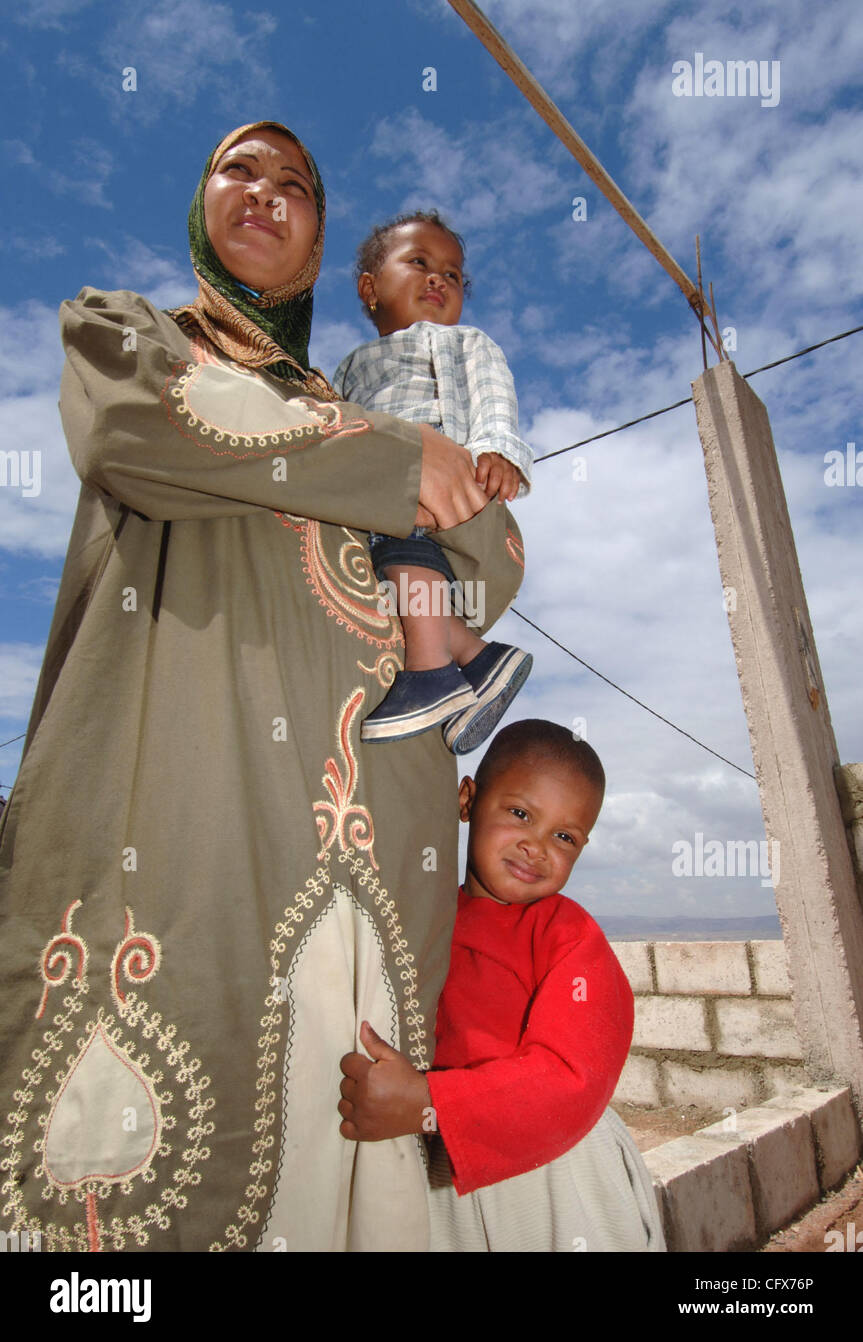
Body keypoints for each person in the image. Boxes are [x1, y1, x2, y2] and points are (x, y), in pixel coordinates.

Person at [0, 122, 526, 1253]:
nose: (265, 191)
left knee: (358, 1181)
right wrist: (390, 462)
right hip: (185, 809)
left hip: (378, 842)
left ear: (321, 238)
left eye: (296, 183)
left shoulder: (357, 402)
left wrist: (419, 462)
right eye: (240, 168)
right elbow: (141, 433)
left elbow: (491, 560)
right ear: (201, 203)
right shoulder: (134, 337)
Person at [338, 719, 666, 1252]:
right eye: (520, 814)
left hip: (559, 1171)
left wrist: (426, 1101)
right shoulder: (422, 914)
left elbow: (573, 1078)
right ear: (467, 799)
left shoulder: (568, 936)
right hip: (445, 1171)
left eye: (564, 836)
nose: (536, 847)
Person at [334, 212, 533, 753]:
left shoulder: (463, 342)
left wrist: (497, 449)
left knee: (405, 543)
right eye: (419, 262)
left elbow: (494, 393)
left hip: (442, 478)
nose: (438, 278)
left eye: (452, 273)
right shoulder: (351, 365)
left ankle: (429, 674)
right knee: (388, 573)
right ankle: (479, 660)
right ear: (369, 289)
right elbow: (331, 420)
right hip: (376, 488)